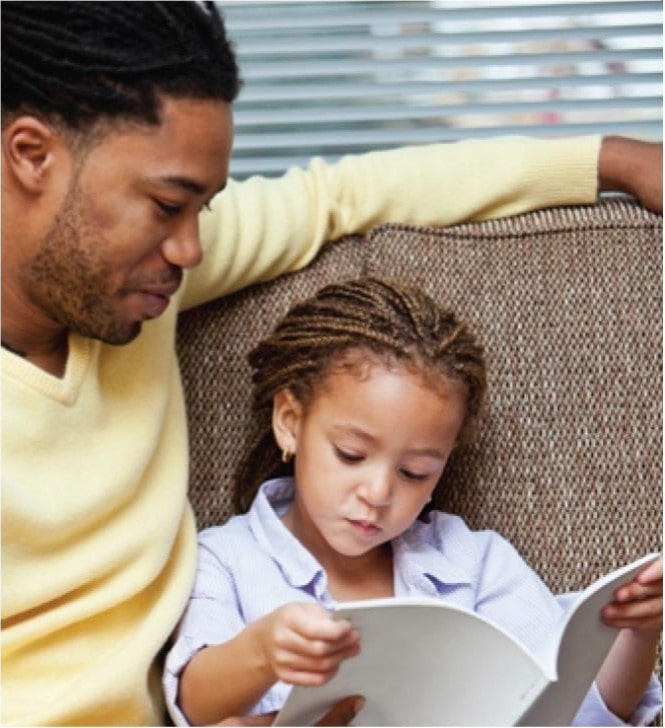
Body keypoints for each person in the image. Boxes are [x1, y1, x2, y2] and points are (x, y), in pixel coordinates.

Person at [1, 1, 662, 726]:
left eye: (203, 210)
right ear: (31, 155)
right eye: (166, 204)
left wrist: (617, 161)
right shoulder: (236, 564)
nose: (191, 251)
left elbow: (341, 196)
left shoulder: (140, 283)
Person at [164, 278, 662, 727]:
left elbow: (573, 709)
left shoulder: (473, 562)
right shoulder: (225, 559)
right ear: (290, 421)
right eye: (351, 455)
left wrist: (637, 635)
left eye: (414, 472)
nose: (378, 494)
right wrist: (262, 652)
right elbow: (193, 704)